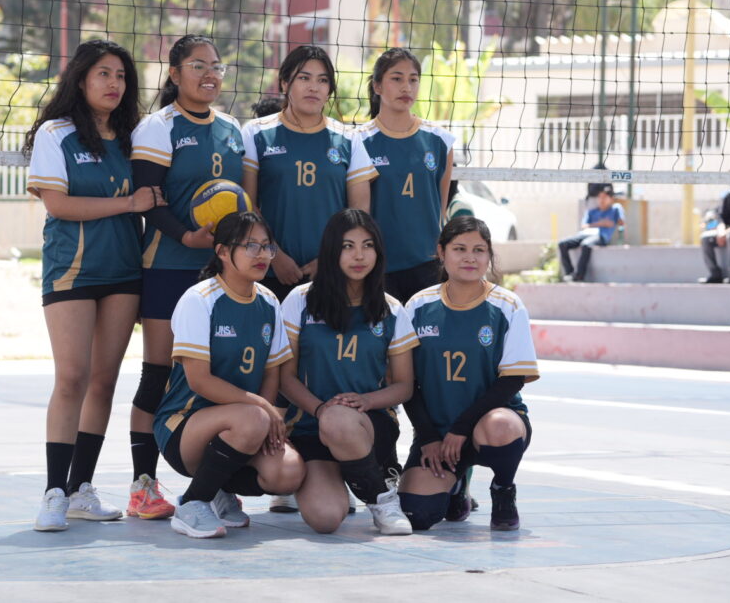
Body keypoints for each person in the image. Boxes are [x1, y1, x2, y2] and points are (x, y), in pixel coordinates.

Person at [24, 39, 164, 532]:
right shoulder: (56, 134)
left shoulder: (135, 137)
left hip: (125, 272)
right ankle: (53, 493)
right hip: (73, 271)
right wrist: (129, 205)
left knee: (104, 381)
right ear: (81, 79)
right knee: (72, 379)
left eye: (121, 76)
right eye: (103, 74)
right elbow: (59, 205)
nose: (113, 83)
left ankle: (81, 488)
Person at [128, 34, 247, 520]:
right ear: (174, 74)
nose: (209, 74)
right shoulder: (158, 127)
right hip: (169, 265)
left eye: (216, 66)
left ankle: (214, 483)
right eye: (197, 66)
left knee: (217, 378)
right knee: (158, 374)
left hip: (222, 274)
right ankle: (142, 483)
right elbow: (148, 199)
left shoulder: (235, 130)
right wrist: (186, 235)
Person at [154, 212, 304, 538]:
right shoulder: (200, 300)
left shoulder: (268, 301)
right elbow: (199, 381)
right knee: (252, 418)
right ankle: (193, 503)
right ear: (222, 251)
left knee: (289, 473)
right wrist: (262, 410)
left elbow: (271, 373)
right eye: (251, 246)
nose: (262, 255)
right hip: (184, 425)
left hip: (245, 419)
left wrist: (263, 415)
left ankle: (217, 488)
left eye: (267, 247)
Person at [279, 209, 416, 535]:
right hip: (313, 424)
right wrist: (320, 408)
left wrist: (365, 401)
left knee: (339, 419)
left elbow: (404, 386)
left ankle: (382, 500)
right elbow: (285, 378)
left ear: (378, 252)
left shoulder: (391, 308)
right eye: (348, 246)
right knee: (325, 519)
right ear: (331, 250)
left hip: (368, 424)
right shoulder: (300, 301)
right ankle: (348, 478)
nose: (359, 255)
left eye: (367, 245)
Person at [399, 216, 539, 531]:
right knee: (418, 515)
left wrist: (462, 428)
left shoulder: (507, 305)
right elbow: (406, 384)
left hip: (484, 429)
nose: (470, 258)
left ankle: (503, 489)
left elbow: (512, 380)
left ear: (489, 255)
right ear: (441, 252)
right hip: (437, 435)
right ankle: (457, 484)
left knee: (501, 425)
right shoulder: (419, 306)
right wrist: (429, 436)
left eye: (479, 250)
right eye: (459, 248)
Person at [241, 44, 378, 302]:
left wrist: (329, 259)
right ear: (284, 83)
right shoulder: (256, 132)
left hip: (331, 272)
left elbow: (359, 213)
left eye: (322, 80)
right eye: (304, 78)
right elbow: (247, 205)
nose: (314, 87)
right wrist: (274, 255)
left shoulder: (349, 138)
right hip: (269, 271)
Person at [358, 47, 454, 304]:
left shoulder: (440, 140)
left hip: (427, 264)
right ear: (377, 86)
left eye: (413, 80)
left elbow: (440, 209)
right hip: (378, 265)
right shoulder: (358, 141)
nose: (406, 87)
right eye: (397, 79)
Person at [557, 184, 624, 282]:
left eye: (605, 197)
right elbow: (584, 226)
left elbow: (621, 222)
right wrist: (601, 223)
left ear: (611, 199)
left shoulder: (615, 209)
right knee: (562, 244)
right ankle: (569, 273)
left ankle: (579, 275)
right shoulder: (591, 212)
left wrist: (612, 223)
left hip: (601, 236)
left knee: (586, 244)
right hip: (585, 234)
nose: (602, 200)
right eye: (600, 197)